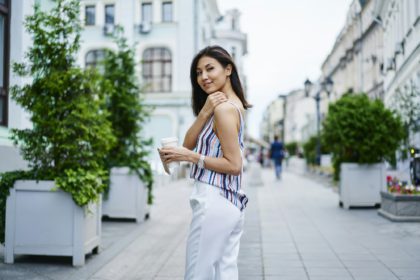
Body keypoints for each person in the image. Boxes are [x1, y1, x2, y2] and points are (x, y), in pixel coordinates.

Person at [158, 45, 251, 280]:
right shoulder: (227, 106)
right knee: (224, 272)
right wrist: (204, 111)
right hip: (231, 201)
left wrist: (190, 158)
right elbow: (188, 143)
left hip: (214, 198)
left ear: (228, 69)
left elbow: (233, 164)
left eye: (210, 69)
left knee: (197, 274)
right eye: (198, 72)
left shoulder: (225, 110)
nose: (204, 77)